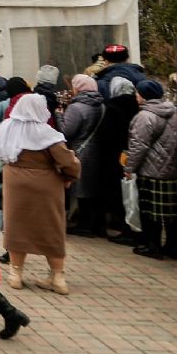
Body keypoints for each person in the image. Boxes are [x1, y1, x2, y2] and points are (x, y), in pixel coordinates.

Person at [0, 93, 81, 294]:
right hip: (46, 183)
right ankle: (57, 276)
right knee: (51, 227)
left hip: (14, 181)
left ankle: (16, 273)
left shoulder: (5, 128)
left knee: (16, 225)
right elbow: (67, 161)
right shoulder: (47, 134)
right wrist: (70, 176)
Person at [126, 79, 177, 260]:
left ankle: (153, 245)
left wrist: (129, 168)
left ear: (143, 95)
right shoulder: (174, 114)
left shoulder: (144, 116)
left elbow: (138, 145)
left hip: (150, 169)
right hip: (170, 169)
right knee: (171, 212)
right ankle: (172, 246)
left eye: (137, 93)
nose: (136, 96)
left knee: (151, 211)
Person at [95, 77, 141, 245]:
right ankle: (127, 225)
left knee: (114, 191)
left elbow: (105, 135)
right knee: (129, 194)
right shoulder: (137, 107)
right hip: (130, 155)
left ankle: (121, 227)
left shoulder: (113, 107)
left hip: (112, 156)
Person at [63, 73, 108, 237]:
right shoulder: (101, 105)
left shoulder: (76, 107)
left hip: (80, 150)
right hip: (97, 150)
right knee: (93, 188)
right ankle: (97, 224)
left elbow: (67, 131)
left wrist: (60, 116)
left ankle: (84, 224)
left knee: (81, 188)